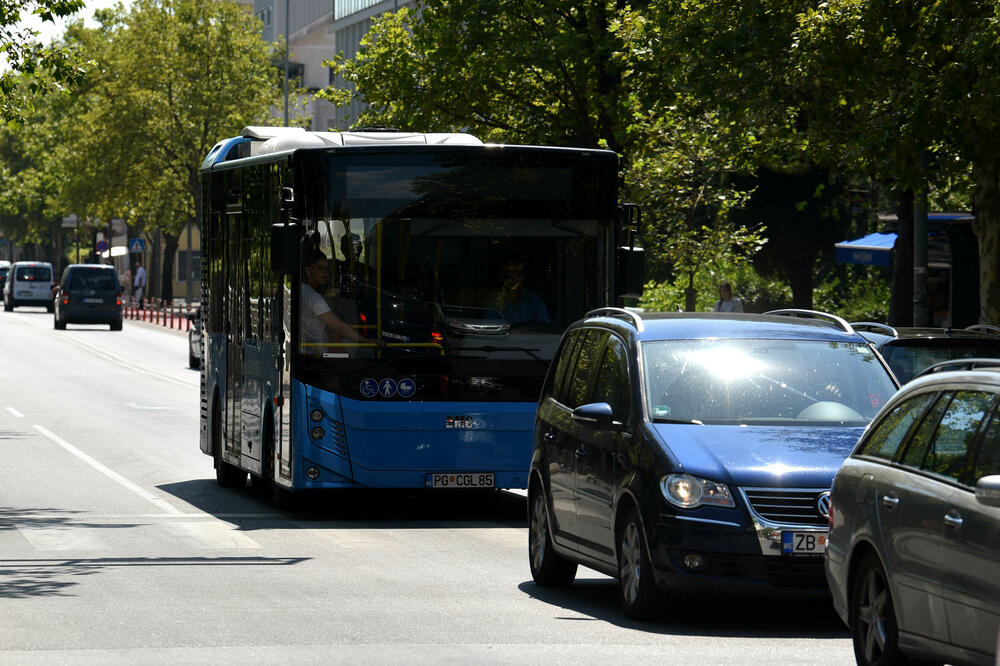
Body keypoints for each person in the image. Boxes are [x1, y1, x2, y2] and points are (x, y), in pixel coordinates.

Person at [301, 249, 378, 350]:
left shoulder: (302, 290)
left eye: (326, 268)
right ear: (308, 270)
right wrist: (367, 341)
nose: (325, 273)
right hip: (322, 351)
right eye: (320, 268)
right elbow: (340, 327)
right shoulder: (314, 298)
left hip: (314, 347)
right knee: (366, 351)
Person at [494, 258, 550, 325]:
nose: (512, 278)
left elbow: (544, 329)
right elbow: (488, 330)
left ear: (522, 276)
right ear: (501, 277)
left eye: (516, 273)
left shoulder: (535, 301)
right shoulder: (494, 302)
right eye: (508, 274)